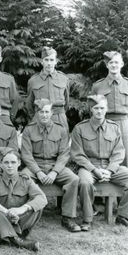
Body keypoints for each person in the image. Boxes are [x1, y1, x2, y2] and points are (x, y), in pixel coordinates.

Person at [71, 95, 128, 231]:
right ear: (91, 110)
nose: (99, 111)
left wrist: (110, 170)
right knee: (84, 182)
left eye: (102, 108)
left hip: (110, 166)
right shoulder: (80, 128)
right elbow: (77, 154)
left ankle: (123, 217)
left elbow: (119, 152)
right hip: (88, 167)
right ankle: (87, 219)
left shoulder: (114, 128)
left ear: (106, 109)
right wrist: (94, 170)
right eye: (96, 108)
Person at [20, 99, 81, 232]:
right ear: (36, 113)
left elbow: (64, 154)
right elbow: (26, 155)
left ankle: (68, 218)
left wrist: (55, 172)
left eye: (47, 111)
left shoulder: (61, 129)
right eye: (41, 112)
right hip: (35, 164)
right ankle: (24, 214)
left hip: (55, 164)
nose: (44, 115)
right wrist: (38, 172)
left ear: (52, 112)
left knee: (73, 179)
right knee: (23, 177)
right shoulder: (29, 130)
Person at [0, 147, 47, 251]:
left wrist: (21, 210)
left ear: (19, 163)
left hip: (20, 221)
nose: (9, 165)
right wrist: (5, 211)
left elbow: (42, 198)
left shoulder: (26, 179)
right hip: (0, 219)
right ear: (1, 164)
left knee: (37, 205)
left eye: (13, 162)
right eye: (6, 162)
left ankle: (1, 238)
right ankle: (17, 240)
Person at [91, 51, 128, 168]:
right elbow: (92, 107)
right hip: (104, 123)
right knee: (104, 155)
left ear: (121, 64)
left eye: (116, 62)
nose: (113, 65)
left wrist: (126, 121)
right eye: (110, 62)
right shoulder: (98, 86)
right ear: (107, 65)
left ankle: (125, 184)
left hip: (123, 123)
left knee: (124, 156)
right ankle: (105, 183)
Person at [26, 47, 69, 132]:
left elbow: (67, 102)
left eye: (52, 60)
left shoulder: (64, 79)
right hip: (40, 118)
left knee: (61, 143)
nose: (49, 63)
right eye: (46, 60)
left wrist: (60, 114)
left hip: (59, 117)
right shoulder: (33, 81)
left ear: (56, 61)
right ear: (42, 61)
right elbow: (29, 104)